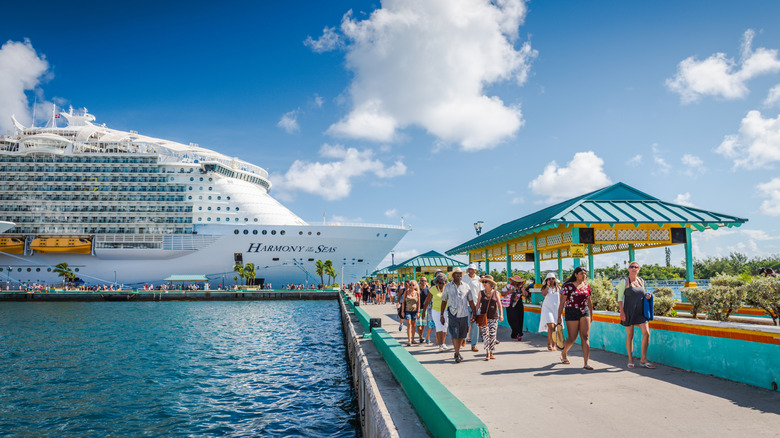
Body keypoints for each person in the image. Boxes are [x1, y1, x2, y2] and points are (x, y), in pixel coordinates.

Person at [618, 262, 656, 369]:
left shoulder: (641, 281)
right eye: (632, 267)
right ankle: (630, 359)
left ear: (639, 269)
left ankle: (643, 359)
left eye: (636, 267)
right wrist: (622, 312)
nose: (634, 268)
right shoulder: (624, 281)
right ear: (629, 269)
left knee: (646, 333)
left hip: (641, 312)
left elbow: (641, 295)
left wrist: (647, 296)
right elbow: (620, 298)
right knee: (630, 336)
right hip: (628, 311)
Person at [557, 267, 594, 370]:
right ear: (576, 274)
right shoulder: (568, 286)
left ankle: (586, 363)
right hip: (571, 311)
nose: (584, 275)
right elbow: (562, 303)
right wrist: (559, 316)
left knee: (585, 337)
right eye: (582, 273)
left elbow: (589, 302)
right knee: (573, 337)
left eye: (585, 273)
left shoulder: (587, 286)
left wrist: (591, 314)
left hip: (584, 311)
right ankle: (564, 353)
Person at [440, 267, 477, 363]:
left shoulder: (466, 286)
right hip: (453, 314)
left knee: (462, 335)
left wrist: (474, 312)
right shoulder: (448, 287)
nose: (459, 275)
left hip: (464, 314)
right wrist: (441, 315)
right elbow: (444, 301)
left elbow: (471, 300)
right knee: (455, 334)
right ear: (453, 275)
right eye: (457, 273)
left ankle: (457, 351)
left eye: (460, 273)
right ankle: (457, 353)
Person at [477, 275, 503, 360]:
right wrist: (474, 314)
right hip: (484, 317)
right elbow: (478, 304)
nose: (484, 283)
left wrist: (501, 315)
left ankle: (491, 352)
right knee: (485, 335)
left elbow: (499, 304)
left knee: (492, 335)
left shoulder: (496, 293)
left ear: (490, 283)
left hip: (494, 317)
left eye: (485, 282)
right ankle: (487, 352)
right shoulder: (481, 293)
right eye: (483, 282)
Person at [422, 274, 449, 350]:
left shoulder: (447, 289)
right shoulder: (433, 289)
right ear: (437, 282)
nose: (441, 285)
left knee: (445, 327)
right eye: (439, 283)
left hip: (445, 310)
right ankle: (440, 345)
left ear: (445, 283)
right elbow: (427, 301)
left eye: (443, 283)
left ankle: (443, 343)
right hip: (436, 310)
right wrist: (424, 311)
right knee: (439, 326)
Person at [462, 264, 484, 352]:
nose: (470, 271)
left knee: (475, 326)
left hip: (476, 305)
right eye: (469, 269)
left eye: (472, 269)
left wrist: (480, 304)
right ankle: (463, 338)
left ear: (475, 270)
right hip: (466, 304)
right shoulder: (464, 278)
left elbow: (481, 292)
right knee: (466, 324)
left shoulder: (478, 279)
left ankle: (474, 345)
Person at [538, 272, 562, 351]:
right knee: (551, 326)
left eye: (552, 278)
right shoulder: (545, 287)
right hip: (547, 309)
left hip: (556, 309)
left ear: (555, 279)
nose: (551, 280)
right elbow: (544, 294)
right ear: (547, 280)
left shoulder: (558, 288)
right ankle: (549, 344)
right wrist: (547, 286)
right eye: (549, 279)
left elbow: (562, 298)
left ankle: (553, 345)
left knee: (554, 328)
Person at [503, 275, 528, 340]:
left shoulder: (521, 287)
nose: (516, 282)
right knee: (512, 319)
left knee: (519, 318)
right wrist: (509, 292)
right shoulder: (508, 286)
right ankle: (515, 333)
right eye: (515, 281)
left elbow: (525, 295)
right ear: (513, 281)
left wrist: (522, 289)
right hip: (510, 304)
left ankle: (518, 334)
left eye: (518, 281)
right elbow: (502, 293)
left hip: (519, 304)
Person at [400, 280, 421, 346]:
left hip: (414, 311)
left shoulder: (417, 293)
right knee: (409, 324)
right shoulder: (406, 292)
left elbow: (418, 303)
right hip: (407, 310)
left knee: (414, 325)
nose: (411, 286)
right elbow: (403, 302)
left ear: (415, 286)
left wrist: (418, 312)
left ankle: (413, 339)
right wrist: (402, 311)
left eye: (413, 285)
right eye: (410, 285)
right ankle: (409, 340)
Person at [416, 277, 431, 343]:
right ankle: (420, 336)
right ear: (420, 281)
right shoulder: (417, 289)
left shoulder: (427, 290)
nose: (423, 282)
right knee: (419, 324)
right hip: (418, 309)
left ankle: (421, 336)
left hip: (425, 309)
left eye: (425, 281)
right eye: (422, 281)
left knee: (423, 324)